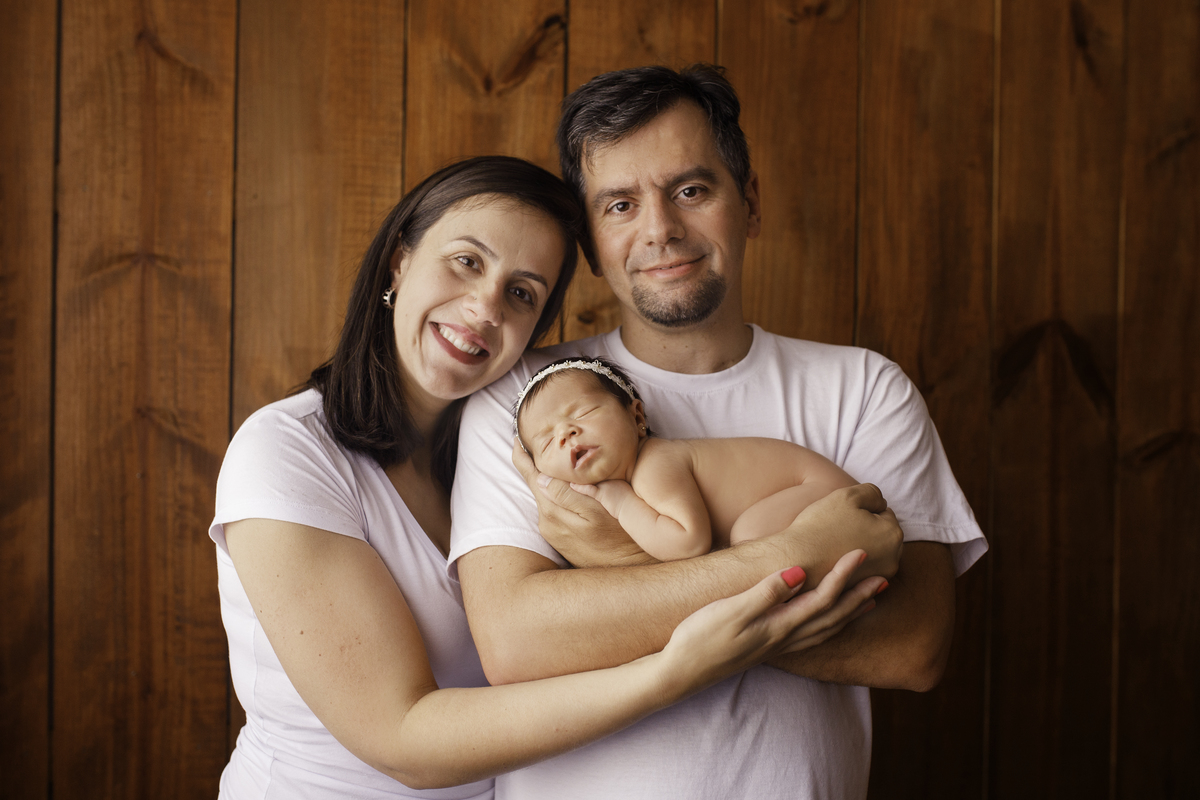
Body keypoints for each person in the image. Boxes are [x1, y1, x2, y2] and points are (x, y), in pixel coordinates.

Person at [209, 155, 886, 799]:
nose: (484, 308)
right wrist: (688, 658)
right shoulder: (285, 454)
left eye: (522, 293)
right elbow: (403, 739)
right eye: (466, 262)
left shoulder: (518, 454)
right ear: (399, 259)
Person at [449, 67, 989, 798]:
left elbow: (911, 645)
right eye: (619, 205)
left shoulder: (862, 390)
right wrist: (799, 560)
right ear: (591, 242)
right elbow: (518, 642)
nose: (660, 229)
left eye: (692, 191)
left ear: (750, 203)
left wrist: (610, 568)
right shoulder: (531, 403)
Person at [513, 357, 858, 560]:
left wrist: (618, 503)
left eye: (583, 413)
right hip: (817, 493)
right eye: (545, 442)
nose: (565, 434)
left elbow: (687, 542)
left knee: (750, 542)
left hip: (823, 492)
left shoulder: (654, 464)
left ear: (636, 418)